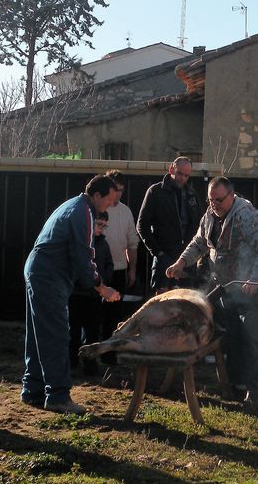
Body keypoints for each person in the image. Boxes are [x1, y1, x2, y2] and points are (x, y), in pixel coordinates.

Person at [167, 177, 258, 407]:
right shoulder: (210, 215)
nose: (214, 204)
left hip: (252, 291)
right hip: (227, 290)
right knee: (231, 339)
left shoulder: (246, 215)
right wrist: (181, 262)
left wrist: (255, 279)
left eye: (219, 200)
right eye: (210, 199)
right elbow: (199, 243)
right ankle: (235, 385)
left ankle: (254, 392)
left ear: (232, 196)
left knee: (254, 341)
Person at [21, 175, 122, 415]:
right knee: (56, 335)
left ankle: (32, 390)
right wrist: (100, 286)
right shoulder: (83, 213)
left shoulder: (72, 206)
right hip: (48, 276)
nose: (109, 206)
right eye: (108, 201)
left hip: (39, 271)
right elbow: (84, 255)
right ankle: (57, 395)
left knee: (39, 334)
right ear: (96, 196)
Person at [137, 157, 202, 294]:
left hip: (186, 260)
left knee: (185, 304)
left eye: (186, 175)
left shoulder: (192, 194)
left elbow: (199, 226)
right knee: (161, 304)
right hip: (164, 258)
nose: (183, 178)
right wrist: (158, 253)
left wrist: (193, 255)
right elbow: (142, 225)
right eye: (180, 173)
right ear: (171, 169)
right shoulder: (155, 192)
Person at [68, 211, 113, 376]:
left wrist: (102, 280)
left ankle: (90, 363)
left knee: (92, 331)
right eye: (99, 224)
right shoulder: (82, 242)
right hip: (77, 294)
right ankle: (71, 361)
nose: (101, 229)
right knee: (73, 331)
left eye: (104, 225)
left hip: (94, 297)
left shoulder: (103, 244)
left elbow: (109, 265)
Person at [103, 169, 140, 334]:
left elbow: (132, 242)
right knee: (93, 314)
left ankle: (109, 353)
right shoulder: (98, 208)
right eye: (115, 189)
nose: (118, 194)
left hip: (118, 270)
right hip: (98, 269)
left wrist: (132, 270)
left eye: (121, 190)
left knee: (114, 315)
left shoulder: (125, 211)